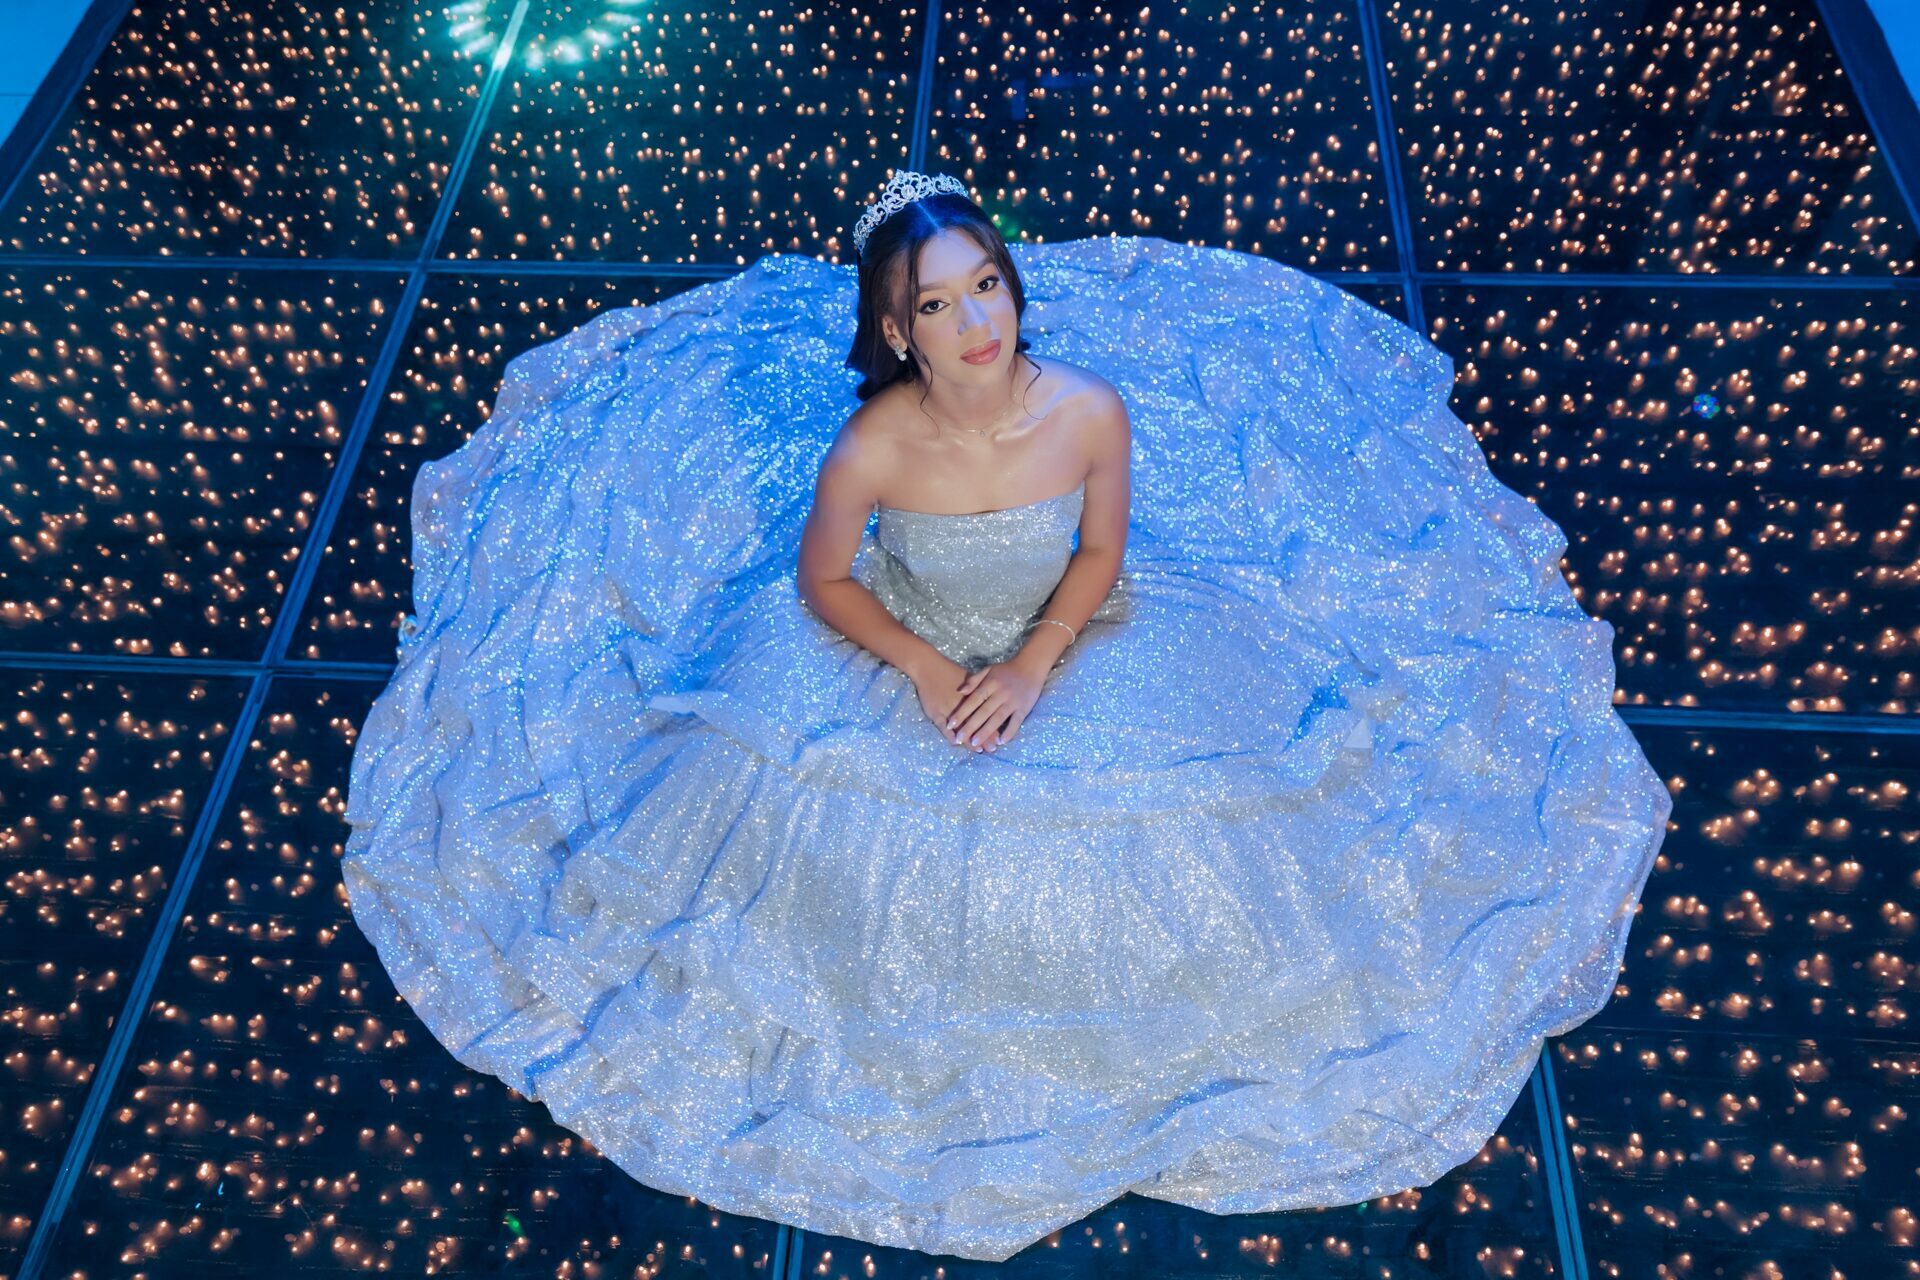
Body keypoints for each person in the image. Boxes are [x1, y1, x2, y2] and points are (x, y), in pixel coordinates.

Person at [343, 168, 1673, 1262]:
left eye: (987, 283)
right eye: (939, 303)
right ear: (897, 331)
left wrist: (1036, 662)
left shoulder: (1088, 410)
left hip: (1073, 630)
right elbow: (822, 580)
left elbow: (1101, 553)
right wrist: (925, 668)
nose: (977, 320)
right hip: (908, 625)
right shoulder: (873, 445)